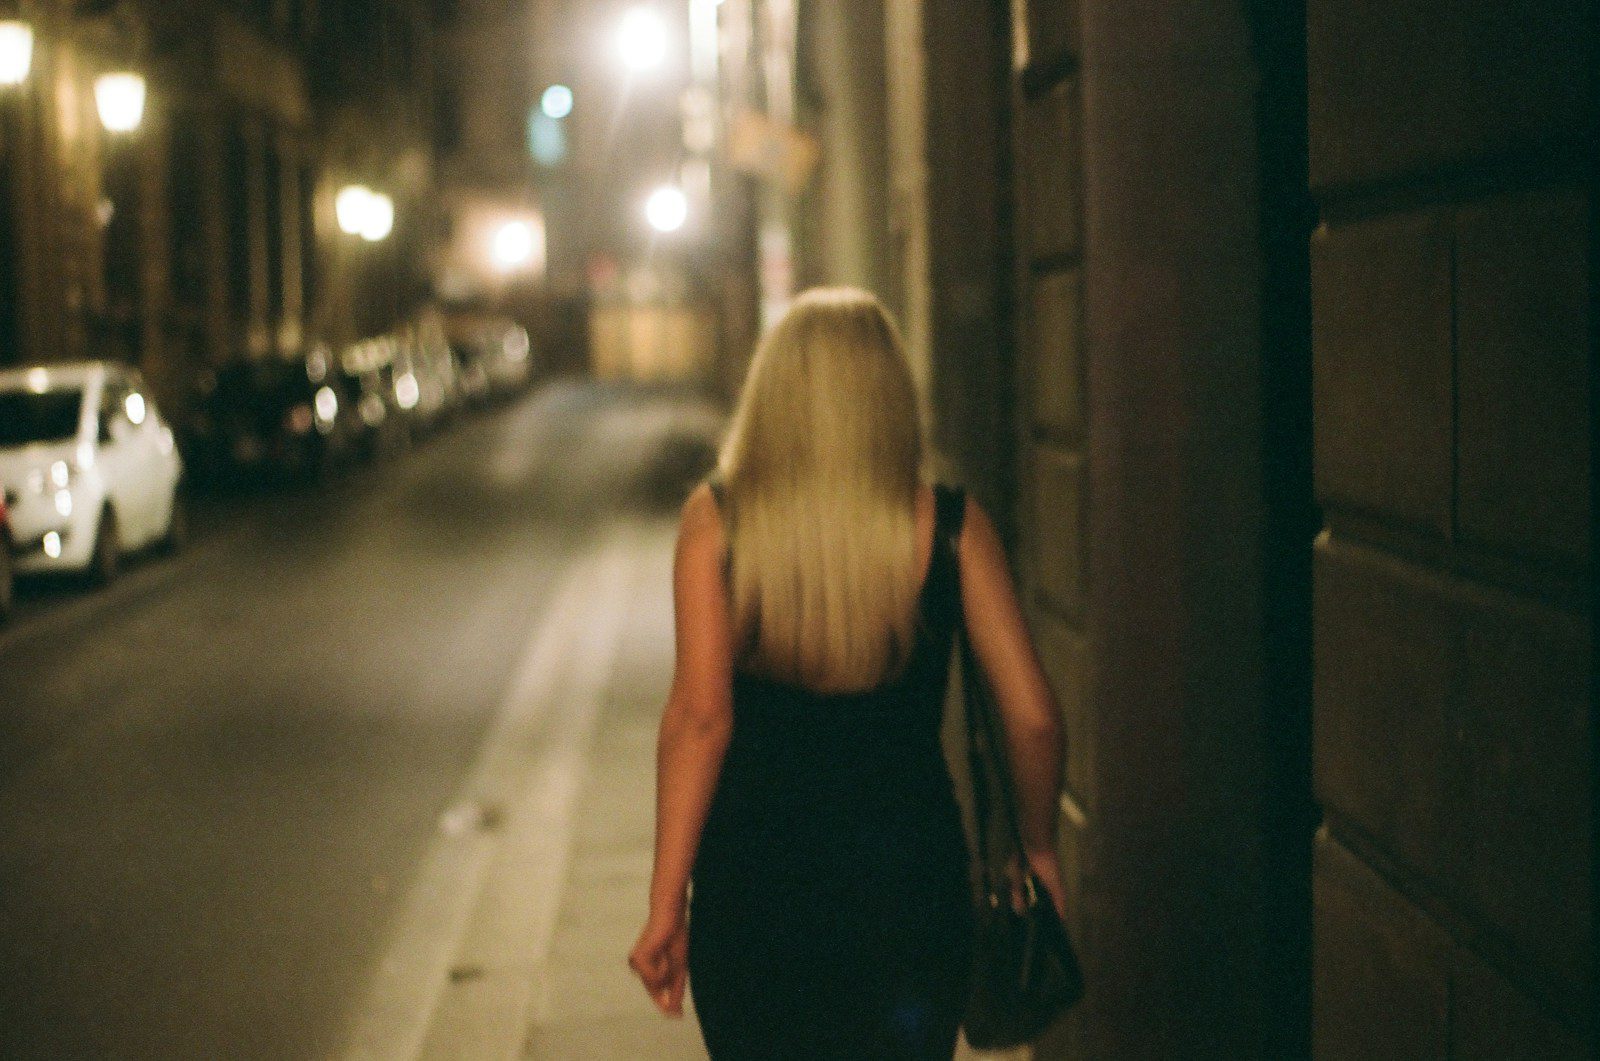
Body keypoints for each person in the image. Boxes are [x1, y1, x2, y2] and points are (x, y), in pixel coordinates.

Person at [628, 287, 1065, 1060]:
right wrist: (1037, 848)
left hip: (755, 892)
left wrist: (667, 905)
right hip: (908, 887)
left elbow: (700, 720)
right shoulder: (952, 528)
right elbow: (1031, 715)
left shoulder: (717, 524)